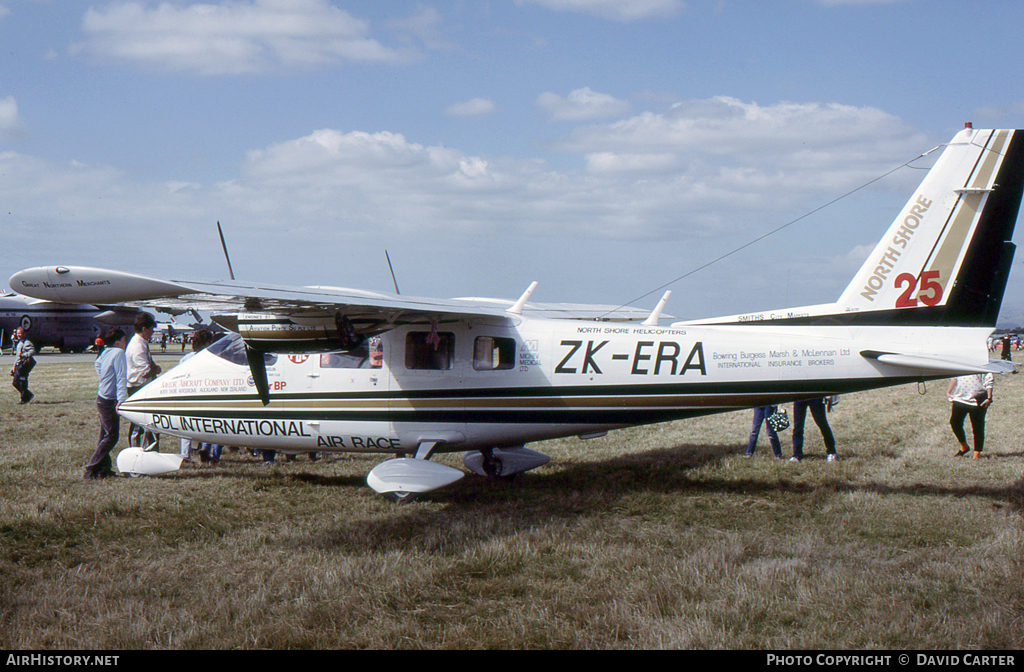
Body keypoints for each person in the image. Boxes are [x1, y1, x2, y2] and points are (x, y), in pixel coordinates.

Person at [84, 329, 128, 480]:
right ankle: (91, 467)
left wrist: (104, 378)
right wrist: (121, 399)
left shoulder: (106, 352)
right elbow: (122, 377)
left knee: (104, 435)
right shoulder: (118, 353)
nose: (125, 344)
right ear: (117, 342)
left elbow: (97, 364)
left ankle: (103, 469)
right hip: (110, 400)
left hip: (101, 397)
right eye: (123, 341)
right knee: (112, 436)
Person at [126, 313, 162, 450]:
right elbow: (146, 371)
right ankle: (135, 451)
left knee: (150, 423)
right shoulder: (137, 346)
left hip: (144, 387)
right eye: (151, 329)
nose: (152, 332)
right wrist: (156, 370)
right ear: (144, 328)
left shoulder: (142, 344)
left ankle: (152, 449)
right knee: (139, 424)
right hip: (138, 388)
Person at [947, 373, 993, 459]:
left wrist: (989, 398)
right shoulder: (960, 362)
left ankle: (977, 454)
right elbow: (954, 378)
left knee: (977, 427)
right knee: (954, 423)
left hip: (978, 400)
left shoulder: (982, 362)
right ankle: (964, 446)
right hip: (960, 399)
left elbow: (989, 380)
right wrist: (948, 392)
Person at [790, 397, 838, 462]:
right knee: (798, 427)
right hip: (799, 396)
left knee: (822, 424)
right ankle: (797, 455)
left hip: (815, 397)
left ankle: (831, 451)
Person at [10, 327, 36, 404]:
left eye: (20, 333)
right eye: (17, 333)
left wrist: (24, 355)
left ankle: (24, 399)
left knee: (22, 382)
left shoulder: (27, 343)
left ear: (24, 334)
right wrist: (14, 366)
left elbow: (33, 351)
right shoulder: (19, 343)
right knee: (16, 382)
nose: (18, 335)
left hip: (24, 366)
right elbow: (17, 357)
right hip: (18, 366)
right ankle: (27, 395)